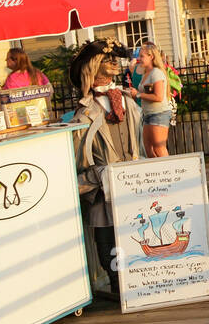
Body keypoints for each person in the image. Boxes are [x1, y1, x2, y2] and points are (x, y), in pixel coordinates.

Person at [69, 39, 144, 300]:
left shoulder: (129, 103)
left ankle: (140, 282)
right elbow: (79, 163)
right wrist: (97, 178)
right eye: (106, 59)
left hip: (131, 183)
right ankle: (116, 286)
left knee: (137, 234)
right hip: (102, 190)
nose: (114, 63)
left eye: (115, 58)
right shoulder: (82, 116)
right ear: (92, 67)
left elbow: (139, 143)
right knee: (108, 241)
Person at [134, 41, 172, 158]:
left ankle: (169, 173)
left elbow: (159, 97)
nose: (139, 59)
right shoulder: (146, 72)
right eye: (139, 56)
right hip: (148, 114)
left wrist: (139, 95)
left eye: (142, 56)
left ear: (151, 57)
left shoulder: (156, 73)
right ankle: (156, 173)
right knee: (148, 148)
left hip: (159, 114)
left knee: (159, 147)